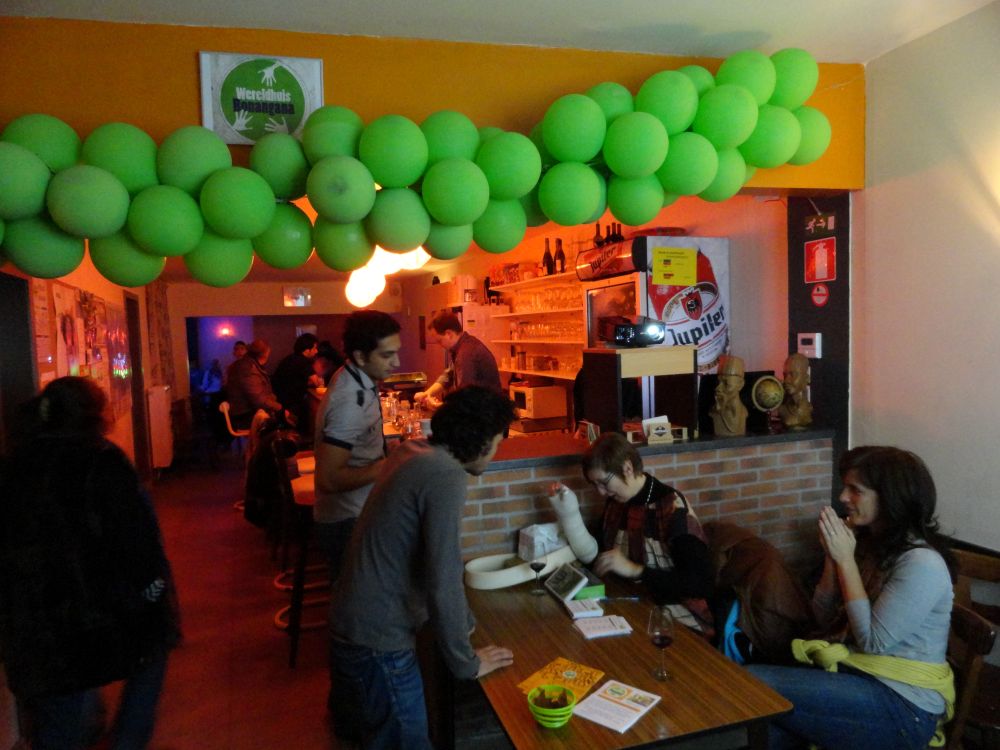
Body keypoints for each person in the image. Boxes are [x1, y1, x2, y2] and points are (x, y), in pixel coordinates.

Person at [329, 386, 517, 748]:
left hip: (353, 622)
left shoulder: (413, 451)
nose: (496, 453)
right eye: (497, 442)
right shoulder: (445, 474)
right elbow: (443, 575)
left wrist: (463, 622)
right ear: (480, 441)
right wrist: (466, 662)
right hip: (378, 639)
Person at [0, 377, 181, 750]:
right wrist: (155, 593)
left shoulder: (14, 464)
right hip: (93, 614)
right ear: (95, 415)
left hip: (31, 617)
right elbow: (136, 540)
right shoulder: (102, 460)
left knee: (59, 716)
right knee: (151, 658)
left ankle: (90, 729)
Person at [746, 446, 956, 750]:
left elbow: (872, 642)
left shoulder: (922, 564)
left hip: (903, 707)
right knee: (766, 730)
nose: (843, 497)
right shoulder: (872, 546)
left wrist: (845, 559)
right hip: (859, 679)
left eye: (855, 490)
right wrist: (833, 559)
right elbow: (825, 619)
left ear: (889, 497)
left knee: (753, 683)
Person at [547, 431, 715, 634]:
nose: (601, 492)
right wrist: (568, 514)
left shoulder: (672, 508)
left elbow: (701, 583)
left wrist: (635, 570)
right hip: (631, 605)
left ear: (627, 468)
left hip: (676, 620)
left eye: (604, 483)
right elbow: (597, 556)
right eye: (595, 485)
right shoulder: (616, 502)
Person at [313, 311, 400, 586]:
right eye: (387, 355)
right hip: (348, 521)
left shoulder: (355, 377)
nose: (396, 362)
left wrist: (383, 450)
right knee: (360, 603)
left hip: (356, 514)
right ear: (361, 356)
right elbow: (328, 479)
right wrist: (389, 463)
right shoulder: (350, 400)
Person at [414, 310, 501, 411]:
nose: (439, 345)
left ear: (449, 334)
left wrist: (439, 407)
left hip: (486, 414)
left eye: (439, 341)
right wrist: (427, 394)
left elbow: (464, 398)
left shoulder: (466, 354)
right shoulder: (463, 346)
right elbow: (448, 376)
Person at [225, 338, 286, 430]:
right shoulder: (248, 368)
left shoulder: (248, 364)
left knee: (284, 414)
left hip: (246, 412)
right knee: (284, 420)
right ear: (265, 354)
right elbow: (259, 400)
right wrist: (280, 408)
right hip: (245, 416)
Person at [271, 332, 323, 433]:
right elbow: (317, 383)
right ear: (307, 350)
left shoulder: (290, 358)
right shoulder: (303, 362)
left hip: (279, 400)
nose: (316, 351)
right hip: (289, 405)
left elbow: (294, 380)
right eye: (315, 348)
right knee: (308, 412)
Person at [710, 354, 748, 436]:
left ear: (740, 384)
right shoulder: (714, 411)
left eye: (726, 384)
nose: (718, 388)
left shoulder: (743, 412)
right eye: (718, 382)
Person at [778, 352, 812, 430]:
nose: (786, 380)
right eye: (785, 375)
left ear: (807, 378)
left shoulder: (810, 410)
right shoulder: (782, 410)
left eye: (793, 374)